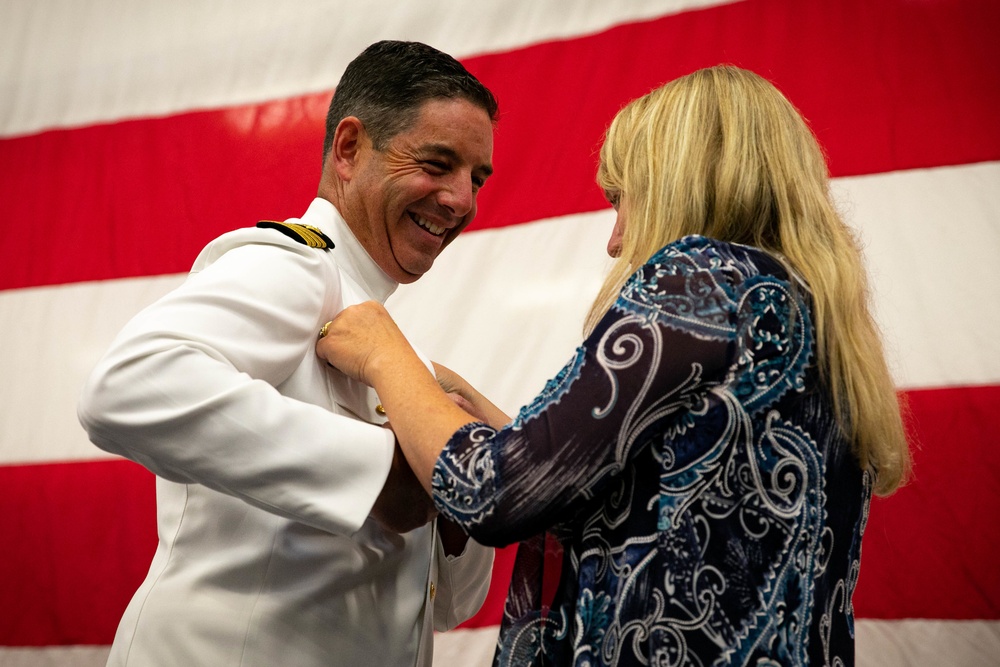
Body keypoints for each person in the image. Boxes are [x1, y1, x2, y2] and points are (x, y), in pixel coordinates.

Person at [315, 65, 912, 666]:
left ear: (679, 183)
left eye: (622, 200)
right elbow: (666, 489)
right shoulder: (811, 313)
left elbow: (496, 493)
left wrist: (386, 356)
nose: (616, 240)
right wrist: (498, 425)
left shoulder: (697, 280)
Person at [78, 40, 498, 667]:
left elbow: (443, 606)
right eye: (437, 164)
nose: (462, 200)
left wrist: (456, 483)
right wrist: (381, 472)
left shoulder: (389, 342)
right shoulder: (297, 266)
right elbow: (126, 386)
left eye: (476, 178)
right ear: (350, 149)